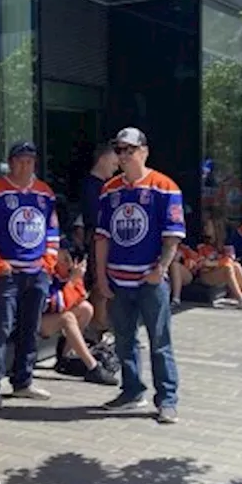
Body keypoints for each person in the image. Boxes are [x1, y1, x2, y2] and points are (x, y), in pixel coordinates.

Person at [94, 127, 183, 424]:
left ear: (144, 151)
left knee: (160, 341)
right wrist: (102, 277)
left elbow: (172, 236)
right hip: (119, 280)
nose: (123, 156)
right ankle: (131, 391)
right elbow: (102, 236)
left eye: (129, 150)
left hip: (149, 279)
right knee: (123, 340)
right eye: (119, 150)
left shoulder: (164, 187)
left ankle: (167, 399)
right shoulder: (110, 190)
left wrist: (160, 269)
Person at [0, 141, 59, 410]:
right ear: (11, 162)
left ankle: (23, 381)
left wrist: (48, 261)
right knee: (0, 329)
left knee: (29, 328)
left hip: (37, 272)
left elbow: (52, 231)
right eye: (20, 160)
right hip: (6, 274)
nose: (25, 165)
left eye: (30, 160)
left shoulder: (45, 193)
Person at [42, 248, 119, 385]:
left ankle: (65, 357)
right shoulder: (47, 269)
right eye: (64, 259)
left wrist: (74, 280)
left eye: (70, 260)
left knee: (86, 309)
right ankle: (93, 367)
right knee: (67, 318)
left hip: (50, 316)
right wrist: (71, 281)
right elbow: (55, 304)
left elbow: (80, 298)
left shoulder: (67, 273)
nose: (68, 263)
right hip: (32, 319)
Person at [82, 144, 120, 333]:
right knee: (99, 284)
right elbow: (93, 217)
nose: (116, 168)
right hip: (97, 241)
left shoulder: (107, 187)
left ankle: (103, 324)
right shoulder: (91, 187)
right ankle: (99, 324)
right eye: (113, 163)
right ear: (102, 159)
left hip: (108, 241)